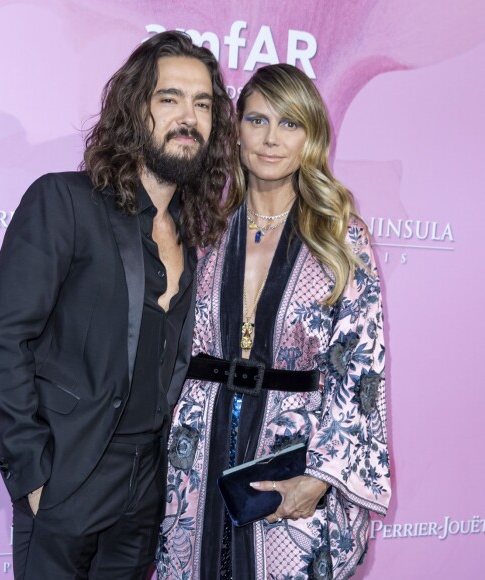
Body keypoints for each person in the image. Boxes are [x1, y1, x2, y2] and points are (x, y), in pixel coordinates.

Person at [0, 31, 238, 579]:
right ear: (136, 109)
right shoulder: (64, 202)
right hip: (67, 474)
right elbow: (1, 340)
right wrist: (35, 473)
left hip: (144, 488)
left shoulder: (193, 233)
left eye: (203, 104)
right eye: (170, 99)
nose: (188, 116)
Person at [157, 63, 391, 579]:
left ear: (311, 138)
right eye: (257, 120)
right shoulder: (202, 224)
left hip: (291, 462)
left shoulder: (339, 236)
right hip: (195, 456)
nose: (270, 139)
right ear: (235, 132)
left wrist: (322, 477)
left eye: (289, 124)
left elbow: (361, 372)